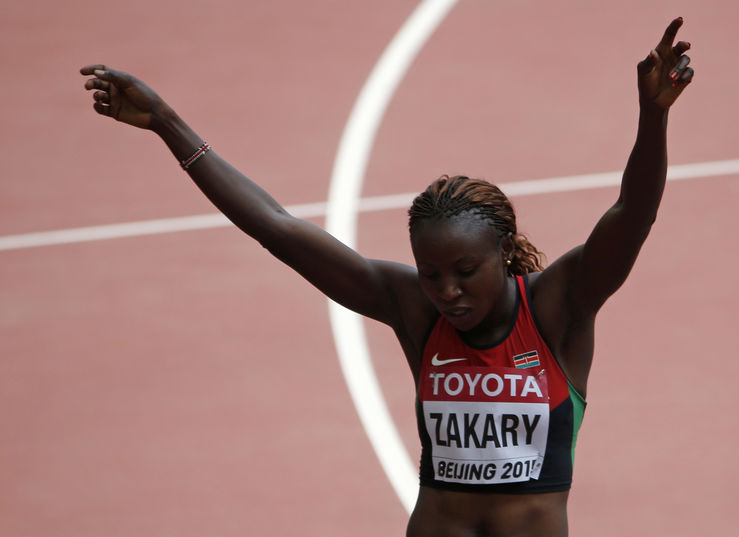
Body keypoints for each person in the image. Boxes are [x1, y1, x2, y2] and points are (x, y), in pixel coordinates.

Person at [81, 16, 693, 537]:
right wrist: (166, 121)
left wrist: (652, 115)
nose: (447, 291)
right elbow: (275, 226)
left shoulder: (560, 304)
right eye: (430, 274)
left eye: (465, 271)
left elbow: (633, 214)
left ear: (505, 251)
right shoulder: (414, 309)